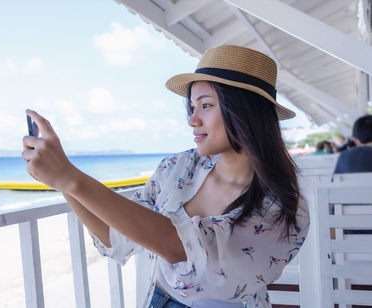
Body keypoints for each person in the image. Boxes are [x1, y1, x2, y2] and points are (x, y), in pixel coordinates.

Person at [22, 45, 310, 308]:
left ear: (246, 111)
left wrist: (70, 177)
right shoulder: (179, 167)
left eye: (206, 105)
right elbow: (113, 234)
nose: (192, 119)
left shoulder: (283, 206)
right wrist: (60, 181)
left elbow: (181, 247)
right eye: (192, 107)